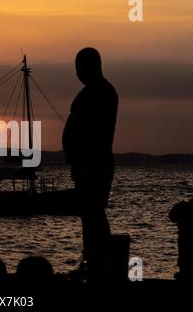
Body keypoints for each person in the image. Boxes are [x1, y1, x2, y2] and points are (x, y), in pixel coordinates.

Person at [62, 47, 119, 280]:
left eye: (79, 67)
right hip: (86, 163)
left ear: (91, 66)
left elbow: (96, 133)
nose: (77, 72)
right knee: (90, 214)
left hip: (93, 164)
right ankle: (94, 262)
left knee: (93, 213)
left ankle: (98, 265)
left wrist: (84, 163)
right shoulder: (93, 92)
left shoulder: (102, 92)